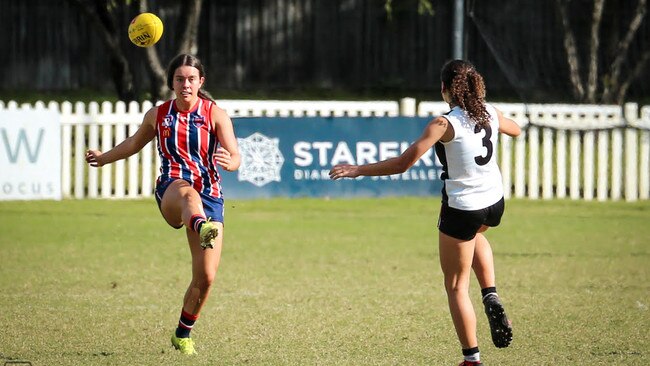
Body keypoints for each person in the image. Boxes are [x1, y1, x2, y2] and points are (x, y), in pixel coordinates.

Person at [329, 59, 520, 366]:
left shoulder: (444, 124)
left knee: (457, 286)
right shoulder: (489, 112)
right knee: (474, 237)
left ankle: (471, 360)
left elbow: (403, 163)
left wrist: (357, 170)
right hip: (494, 203)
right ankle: (490, 293)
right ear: (476, 86)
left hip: (463, 208)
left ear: (445, 89)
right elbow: (517, 130)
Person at [85, 53, 240, 355]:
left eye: (191, 79)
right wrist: (103, 158)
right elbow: (133, 143)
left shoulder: (215, 114)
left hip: (210, 196)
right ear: (171, 82)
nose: (185, 84)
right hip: (171, 189)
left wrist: (230, 163)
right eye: (179, 79)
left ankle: (183, 333)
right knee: (187, 194)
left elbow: (235, 155)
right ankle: (200, 225)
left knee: (206, 277)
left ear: (201, 82)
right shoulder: (159, 115)